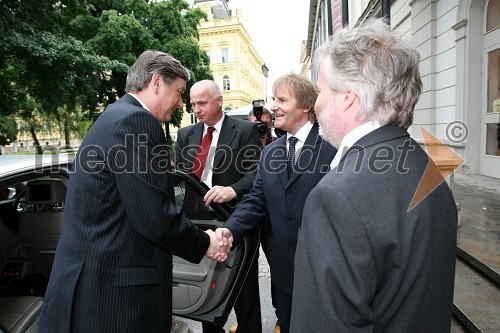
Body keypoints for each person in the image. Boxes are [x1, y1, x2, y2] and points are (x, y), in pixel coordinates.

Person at [38, 50, 230, 333]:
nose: (180, 103)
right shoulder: (137, 122)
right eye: (178, 92)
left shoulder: (113, 116)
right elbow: (154, 216)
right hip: (113, 300)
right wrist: (205, 242)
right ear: (155, 82)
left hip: (90, 288)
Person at [290, 19, 457, 332]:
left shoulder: (336, 197)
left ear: (347, 98)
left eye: (322, 89)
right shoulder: (427, 165)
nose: (317, 101)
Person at [213, 74, 337, 333]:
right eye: (273, 99)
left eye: (282, 100)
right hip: (283, 272)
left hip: (323, 274)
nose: (273, 106)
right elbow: (256, 200)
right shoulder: (270, 151)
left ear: (305, 106)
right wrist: (229, 229)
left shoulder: (333, 147)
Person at [175, 80, 262, 333]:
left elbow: (257, 171)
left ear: (219, 101)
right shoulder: (185, 135)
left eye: (202, 103)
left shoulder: (246, 131)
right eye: (193, 104)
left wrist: (233, 189)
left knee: (245, 296)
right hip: (200, 225)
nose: (197, 109)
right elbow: (181, 177)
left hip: (235, 220)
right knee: (208, 295)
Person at [228, 107, 278, 333]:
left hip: (272, 221)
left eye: (265, 124)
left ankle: (282, 317)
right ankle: (246, 320)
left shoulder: (279, 144)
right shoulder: (241, 143)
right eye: (256, 125)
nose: (260, 128)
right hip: (247, 217)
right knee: (245, 274)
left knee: (278, 270)